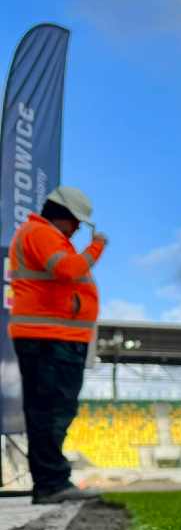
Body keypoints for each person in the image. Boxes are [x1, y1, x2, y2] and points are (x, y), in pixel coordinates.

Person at [8, 186, 107, 504]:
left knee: (52, 411)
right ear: (61, 214)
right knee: (51, 412)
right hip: (49, 341)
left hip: (55, 340)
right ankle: (51, 483)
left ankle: (51, 482)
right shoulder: (40, 233)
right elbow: (69, 270)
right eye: (75, 221)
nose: (78, 227)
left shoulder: (44, 236)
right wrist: (97, 247)